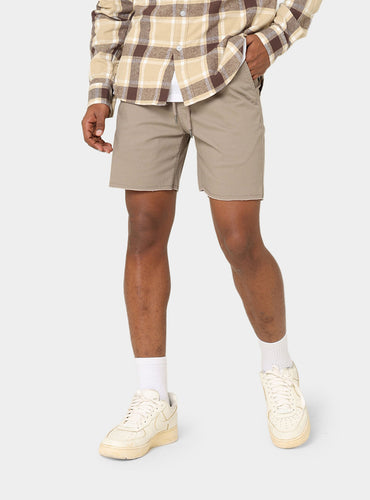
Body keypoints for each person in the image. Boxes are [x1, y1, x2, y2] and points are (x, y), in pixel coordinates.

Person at [81, 0, 322, 459]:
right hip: (144, 77)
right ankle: (154, 398)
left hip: (224, 72)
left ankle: (279, 371)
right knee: (143, 231)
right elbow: (112, 8)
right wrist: (99, 90)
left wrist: (272, 41)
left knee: (239, 238)